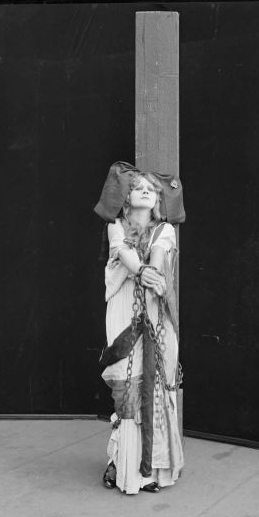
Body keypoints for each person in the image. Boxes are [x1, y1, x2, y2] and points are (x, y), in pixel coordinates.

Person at [99, 171, 184, 495]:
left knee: (156, 386)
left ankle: (152, 471)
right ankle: (123, 465)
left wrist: (153, 273)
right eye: (138, 188)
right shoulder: (115, 226)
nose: (146, 192)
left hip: (155, 310)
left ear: (158, 199)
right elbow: (125, 253)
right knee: (128, 385)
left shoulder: (165, 230)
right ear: (126, 197)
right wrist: (142, 271)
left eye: (151, 189)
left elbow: (159, 255)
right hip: (124, 312)